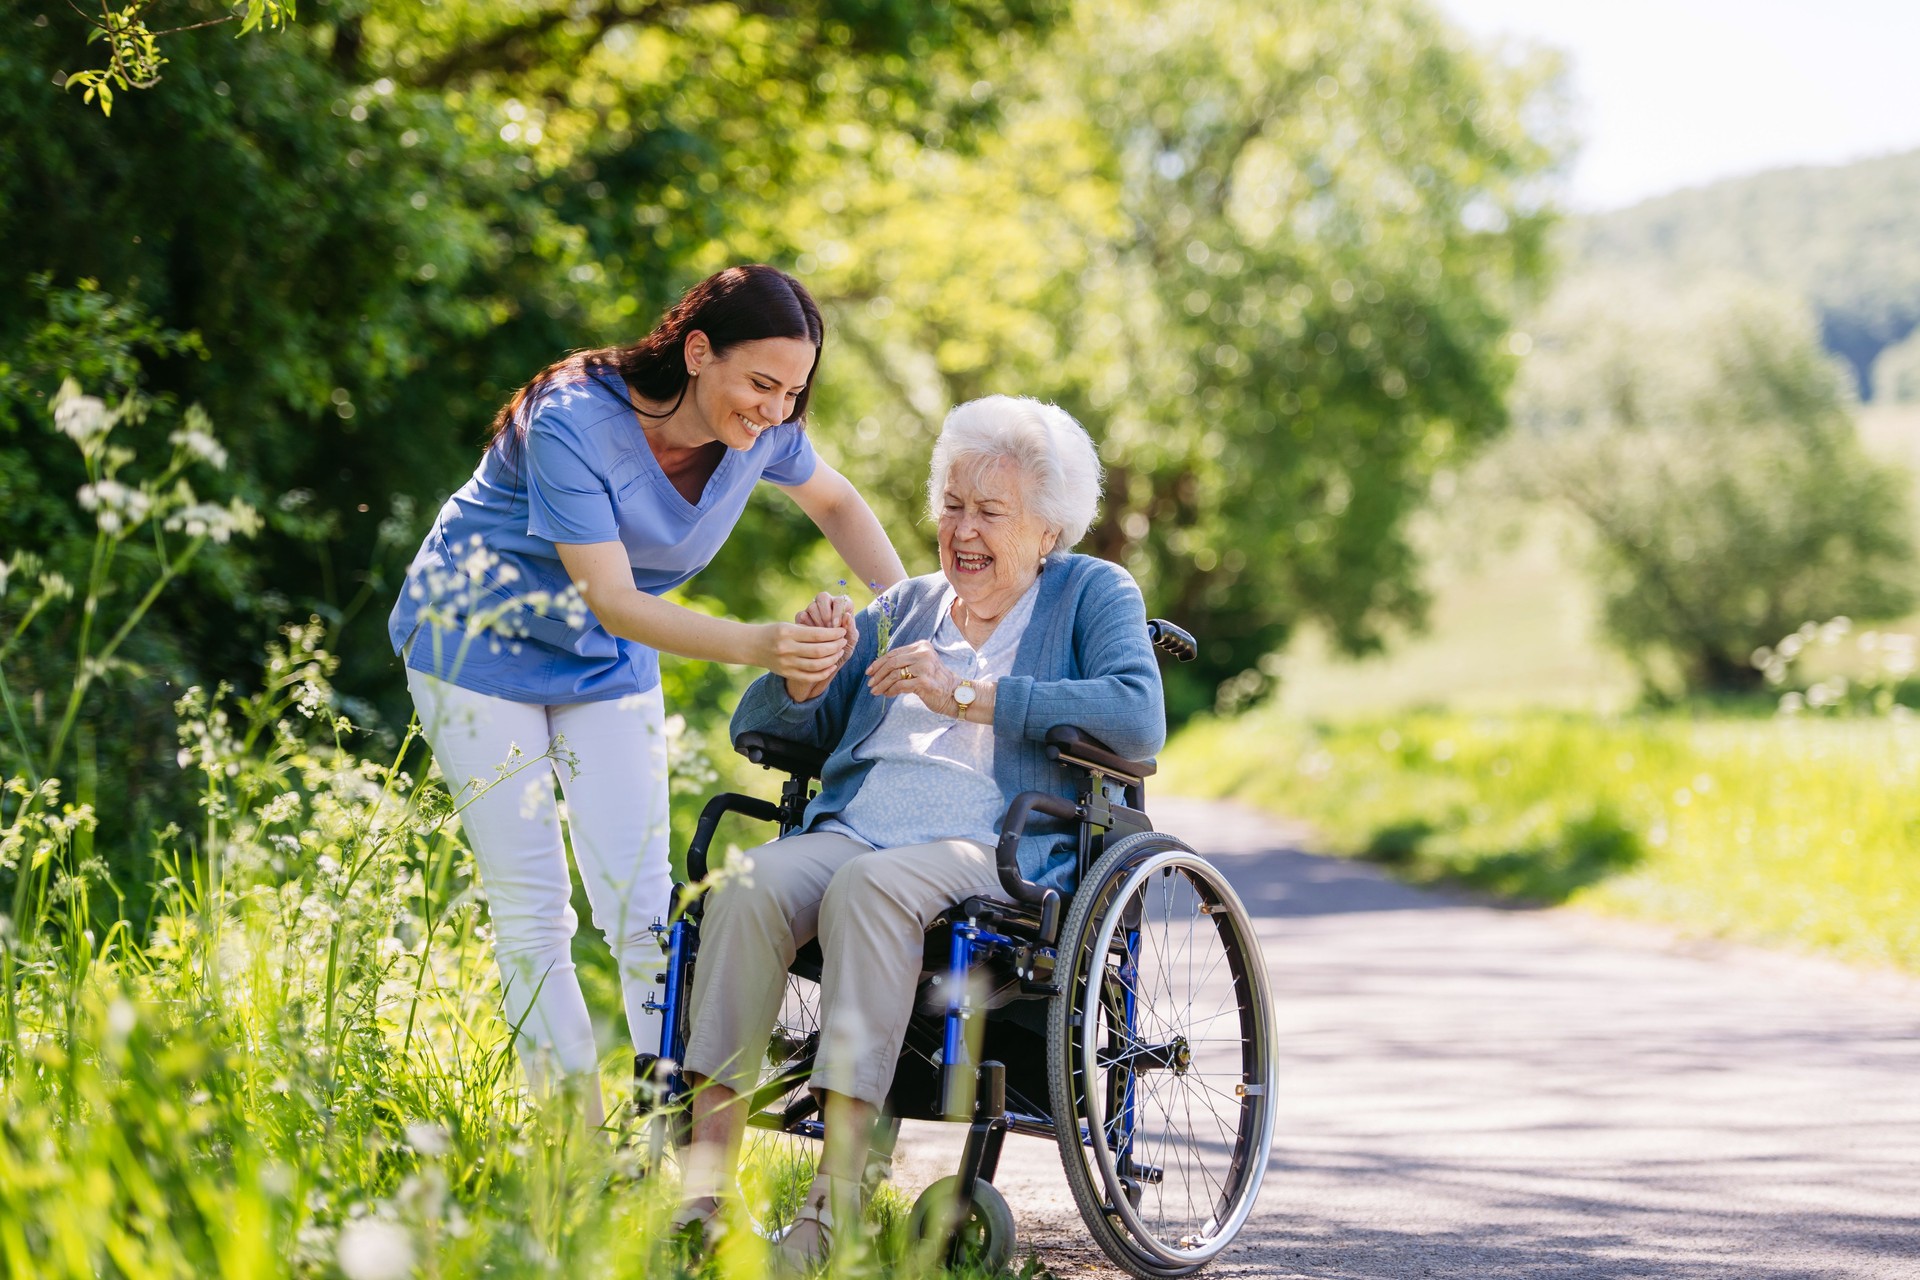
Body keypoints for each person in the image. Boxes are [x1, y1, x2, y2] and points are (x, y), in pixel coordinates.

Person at [388, 265, 905, 1127]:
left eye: (794, 392)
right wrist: (760, 645)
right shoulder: (571, 419)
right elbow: (616, 600)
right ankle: (576, 1145)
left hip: (602, 663)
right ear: (698, 352)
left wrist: (918, 616)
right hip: (474, 647)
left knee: (640, 902)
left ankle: (672, 1129)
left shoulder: (766, 433)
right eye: (761, 384)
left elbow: (839, 504)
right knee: (533, 905)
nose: (776, 410)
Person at [676, 394, 1166, 1259]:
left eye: (990, 511)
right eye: (952, 505)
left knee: (871, 888)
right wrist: (808, 672)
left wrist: (968, 695)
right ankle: (702, 1195)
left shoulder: (1092, 592)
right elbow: (774, 731)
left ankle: (836, 1207)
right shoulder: (904, 605)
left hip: (994, 845)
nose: (963, 530)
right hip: (855, 829)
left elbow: (1136, 719)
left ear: (1048, 530)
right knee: (745, 887)